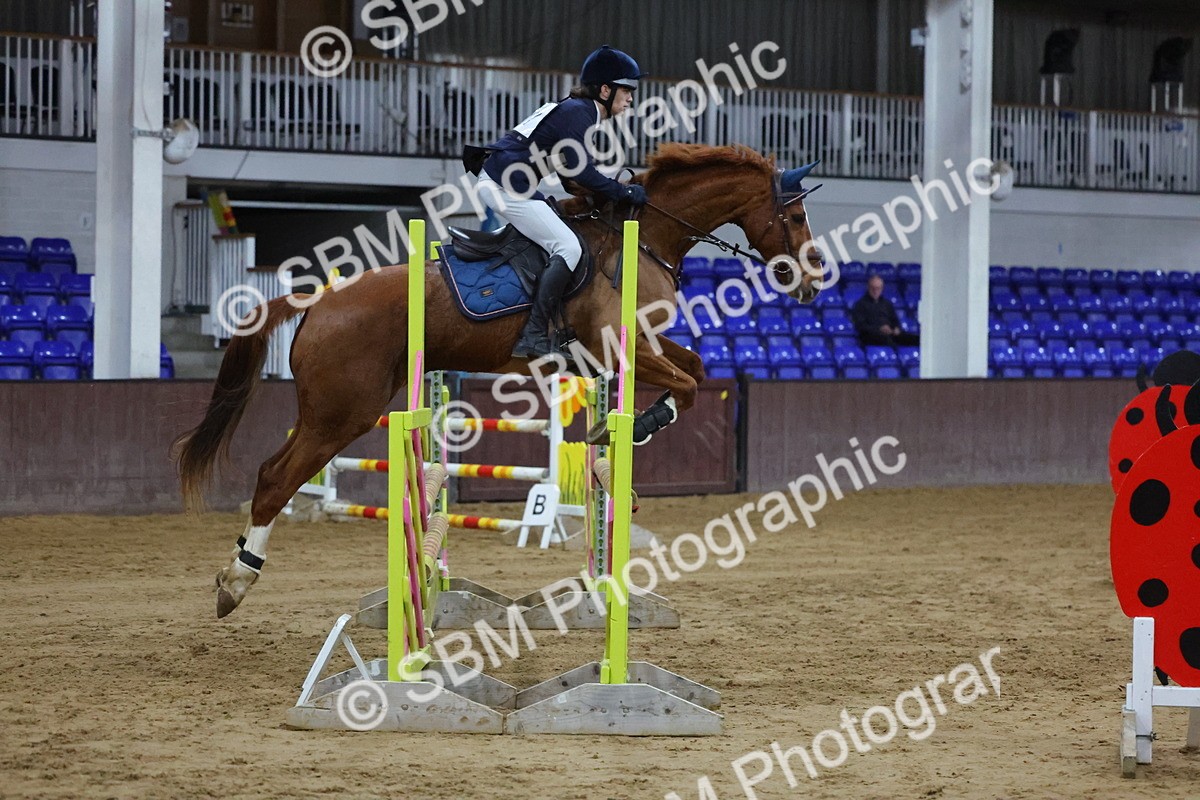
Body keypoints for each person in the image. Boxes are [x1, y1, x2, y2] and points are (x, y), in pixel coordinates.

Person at [466, 45, 648, 359]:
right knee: (569, 247)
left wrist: (605, 187)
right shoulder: (581, 113)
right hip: (504, 185)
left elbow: (568, 172)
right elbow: (581, 171)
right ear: (605, 90)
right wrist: (623, 192)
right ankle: (533, 335)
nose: (631, 98)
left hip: (505, 181)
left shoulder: (577, 110)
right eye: (627, 89)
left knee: (564, 234)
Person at [850, 275, 919, 346]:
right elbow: (861, 326)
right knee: (887, 340)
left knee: (916, 339)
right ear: (868, 288)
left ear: (882, 289)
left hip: (890, 334)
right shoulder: (860, 304)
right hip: (872, 336)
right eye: (873, 288)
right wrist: (879, 329)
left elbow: (895, 320)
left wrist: (896, 328)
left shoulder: (887, 304)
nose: (875, 291)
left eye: (878, 288)